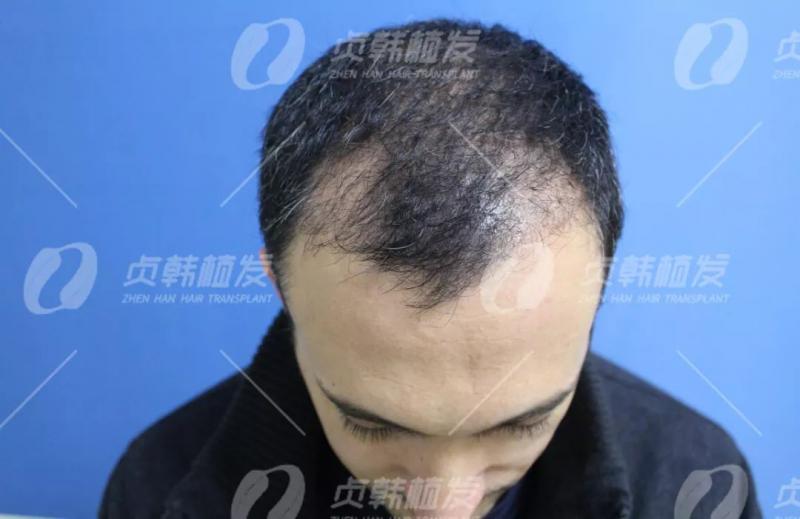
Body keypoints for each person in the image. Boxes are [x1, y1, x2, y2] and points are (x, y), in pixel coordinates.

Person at [100, 18, 762, 518]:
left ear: (600, 289)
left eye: (520, 424)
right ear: (281, 286)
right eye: (372, 424)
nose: (445, 507)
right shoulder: (163, 486)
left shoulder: (694, 482)